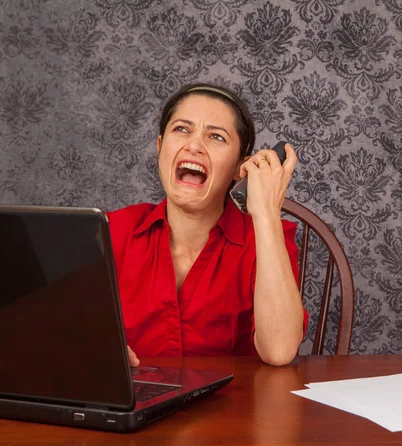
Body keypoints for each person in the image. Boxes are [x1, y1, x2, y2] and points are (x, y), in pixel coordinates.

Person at [107, 83, 306, 367]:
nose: (194, 145)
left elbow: (279, 351)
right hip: (137, 406)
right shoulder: (113, 230)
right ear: (161, 147)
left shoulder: (269, 238)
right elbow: (61, 326)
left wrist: (266, 213)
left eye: (216, 136)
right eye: (182, 129)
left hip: (235, 409)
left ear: (241, 167)